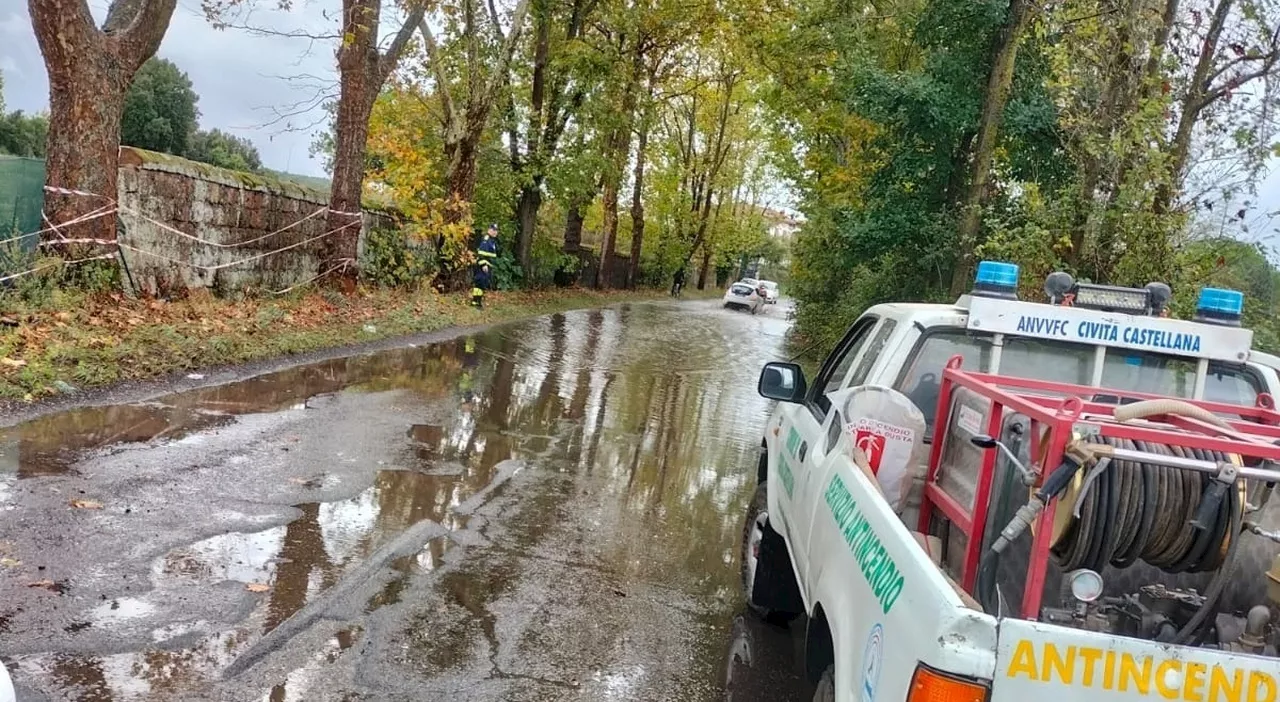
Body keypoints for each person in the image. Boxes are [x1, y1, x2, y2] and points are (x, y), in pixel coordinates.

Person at [472, 223, 499, 308]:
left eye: (496, 230)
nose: (495, 232)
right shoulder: (486, 239)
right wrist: (483, 264)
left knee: (481, 284)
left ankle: (476, 301)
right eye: (493, 230)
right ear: (489, 230)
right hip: (482, 265)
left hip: (487, 265)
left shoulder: (492, 240)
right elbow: (481, 253)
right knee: (480, 283)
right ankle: (477, 302)